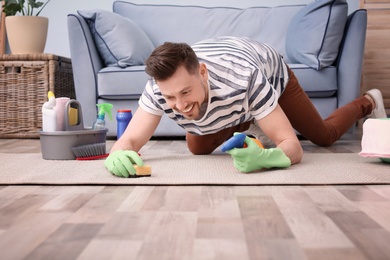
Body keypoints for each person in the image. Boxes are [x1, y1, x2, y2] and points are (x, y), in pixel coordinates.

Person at [104, 36, 387, 177]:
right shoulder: (159, 87)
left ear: (201, 73)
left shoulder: (245, 78)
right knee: (197, 148)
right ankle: (251, 119)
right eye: (170, 98)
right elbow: (129, 139)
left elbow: (292, 145)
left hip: (270, 72)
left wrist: (269, 158)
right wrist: (118, 153)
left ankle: (367, 101)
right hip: (234, 89)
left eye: (186, 92)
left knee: (324, 137)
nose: (179, 106)